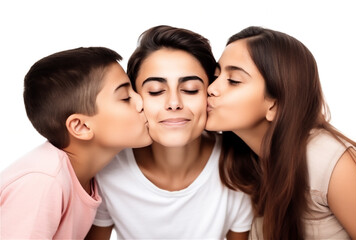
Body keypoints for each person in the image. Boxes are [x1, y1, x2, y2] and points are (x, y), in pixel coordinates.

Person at [86, 25, 253, 240]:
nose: (174, 103)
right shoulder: (108, 168)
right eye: (156, 91)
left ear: (210, 93)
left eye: (191, 89)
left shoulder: (237, 165)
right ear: (135, 98)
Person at [206, 26, 356, 240]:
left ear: (274, 104)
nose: (211, 88)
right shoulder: (246, 161)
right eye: (216, 75)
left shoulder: (330, 163)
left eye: (233, 80)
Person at [0, 47, 152, 239]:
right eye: (125, 98)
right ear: (81, 126)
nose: (142, 102)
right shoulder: (44, 181)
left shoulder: (90, 175)